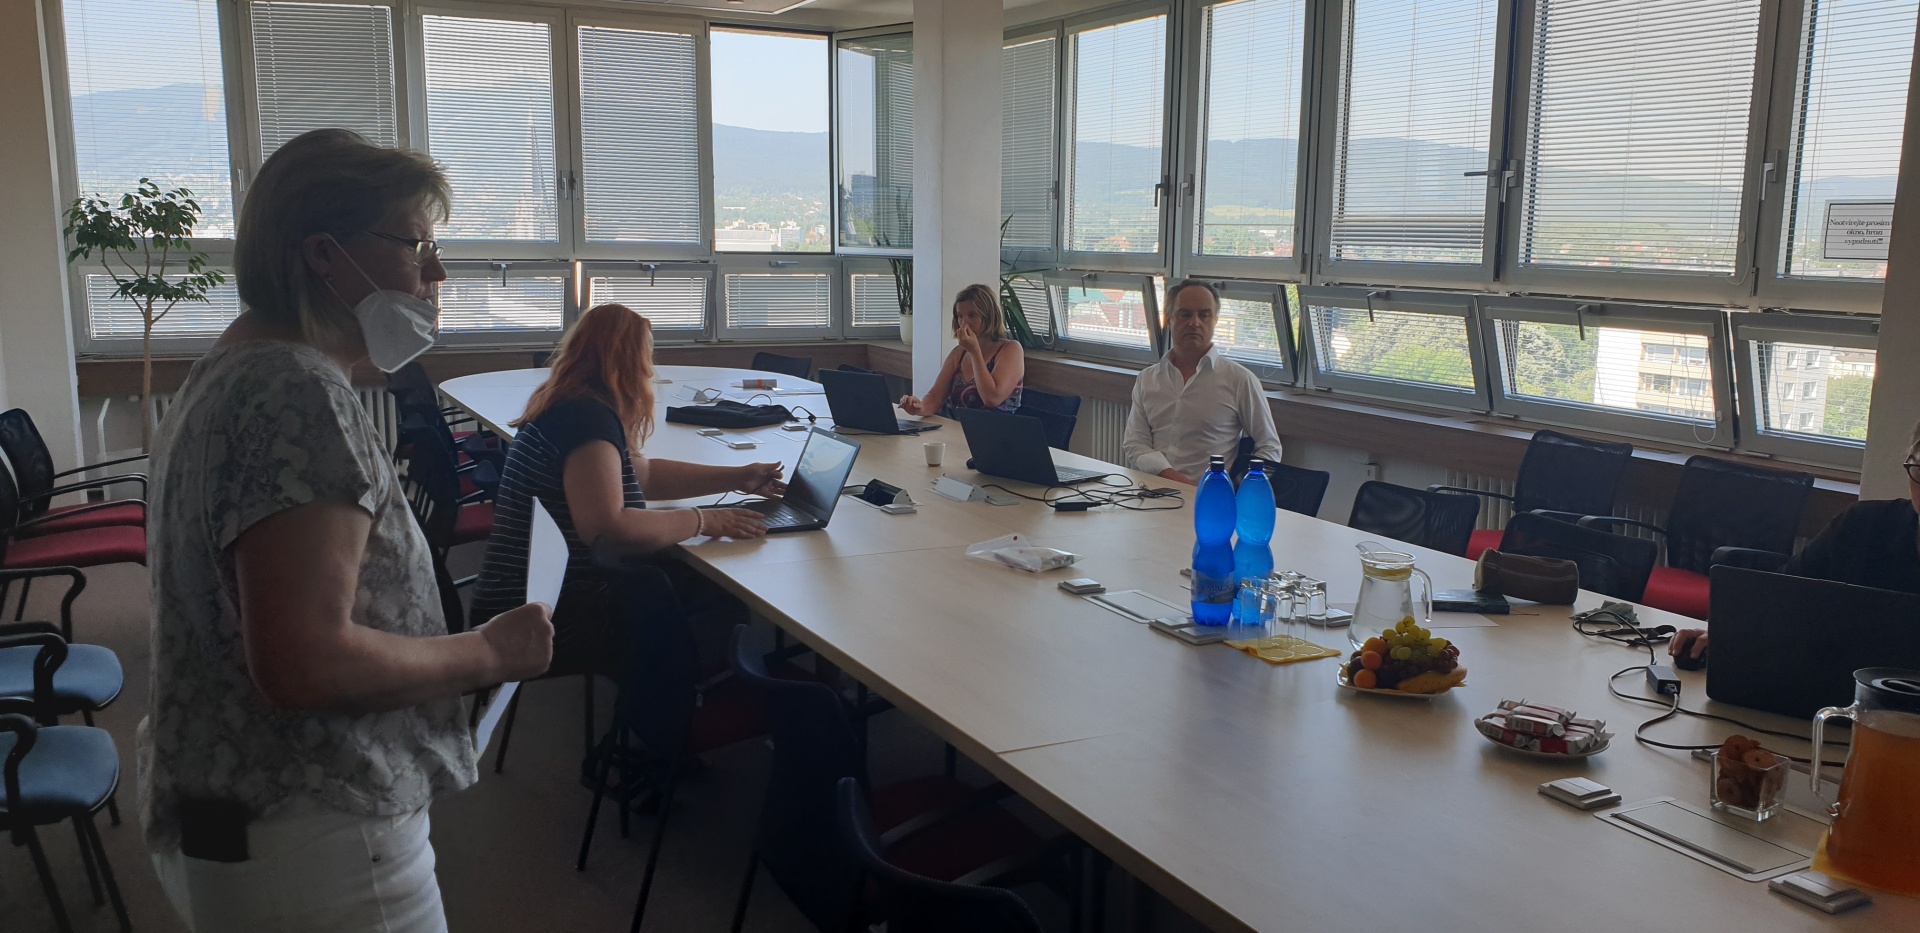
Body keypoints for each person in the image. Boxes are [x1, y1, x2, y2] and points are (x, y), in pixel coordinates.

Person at [141, 128, 554, 932]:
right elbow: (304, 659)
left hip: (247, 811)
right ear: (325, 255)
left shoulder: (230, 368)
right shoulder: (298, 391)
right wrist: (489, 652)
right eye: (416, 246)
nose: (437, 275)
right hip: (316, 831)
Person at [468, 303, 783, 702]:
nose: (650, 371)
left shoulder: (571, 404)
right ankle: (680, 716)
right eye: (647, 357)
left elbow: (641, 476)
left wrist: (738, 477)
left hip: (522, 595)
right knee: (712, 598)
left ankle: (668, 703)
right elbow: (608, 528)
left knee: (682, 577)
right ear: (627, 362)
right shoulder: (586, 420)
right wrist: (704, 520)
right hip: (538, 615)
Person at [1672, 420, 1920, 666]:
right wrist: (1727, 632)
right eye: (1919, 469)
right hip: (1838, 678)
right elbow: (1783, 592)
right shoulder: (1864, 523)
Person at [1121, 280, 1282, 484]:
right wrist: (1169, 476)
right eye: (1185, 314)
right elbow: (1135, 443)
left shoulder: (1240, 380)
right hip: (1152, 490)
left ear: (1215, 320)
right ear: (1169, 319)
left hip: (1210, 495)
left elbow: (1269, 446)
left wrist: (1243, 489)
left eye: (1204, 315)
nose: (1194, 323)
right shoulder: (1148, 379)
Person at [899, 284, 1025, 416]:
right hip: (953, 426)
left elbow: (992, 398)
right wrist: (919, 407)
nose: (964, 323)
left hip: (993, 428)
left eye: (972, 315)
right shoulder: (958, 353)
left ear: (988, 316)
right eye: (960, 316)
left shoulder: (1011, 349)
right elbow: (935, 397)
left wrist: (975, 352)